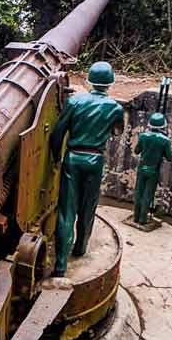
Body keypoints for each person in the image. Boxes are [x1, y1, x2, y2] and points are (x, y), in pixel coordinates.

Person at [51, 61, 124, 277]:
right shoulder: (115, 107)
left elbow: (58, 133)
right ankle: (81, 248)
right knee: (87, 207)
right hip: (95, 160)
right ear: (110, 83)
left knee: (66, 211)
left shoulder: (74, 101)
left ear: (89, 80)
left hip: (72, 158)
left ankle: (61, 265)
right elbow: (117, 132)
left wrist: (56, 158)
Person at [133, 112, 172, 226]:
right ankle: (143, 219)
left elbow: (137, 151)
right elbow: (170, 157)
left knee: (139, 192)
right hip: (153, 169)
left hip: (142, 167)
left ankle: (136, 216)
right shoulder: (165, 140)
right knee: (148, 194)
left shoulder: (143, 136)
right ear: (163, 126)